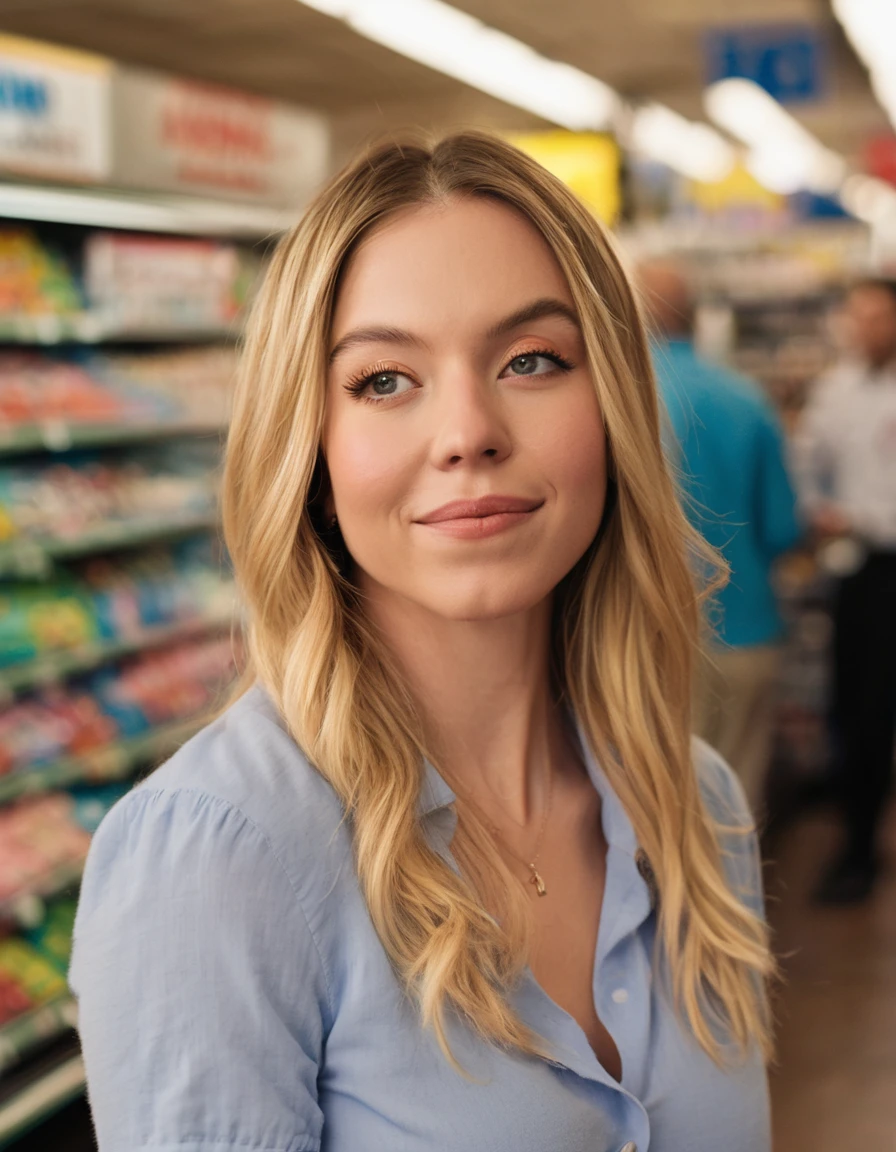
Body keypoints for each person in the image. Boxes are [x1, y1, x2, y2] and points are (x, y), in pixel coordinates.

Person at [69, 134, 773, 1152]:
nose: (467, 431)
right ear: (308, 445)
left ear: (613, 404)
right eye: (384, 380)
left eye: (531, 360)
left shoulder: (694, 805)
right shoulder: (221, 859)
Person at [642, 262, 801, 816]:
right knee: (733, 807)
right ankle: (729, 905)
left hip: (639, 637)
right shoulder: (746, 398)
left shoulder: (613, 399)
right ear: (697, 318)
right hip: (744, 630)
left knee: (652, 806)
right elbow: (783, 527)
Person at [794, 278, 896, 905]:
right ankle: (858, 848)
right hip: (863, 571)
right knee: (858, 709)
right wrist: (820, 510)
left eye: (878, 315)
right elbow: (807, 461)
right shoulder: (837, 389)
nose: (866, 327)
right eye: (856, 316)